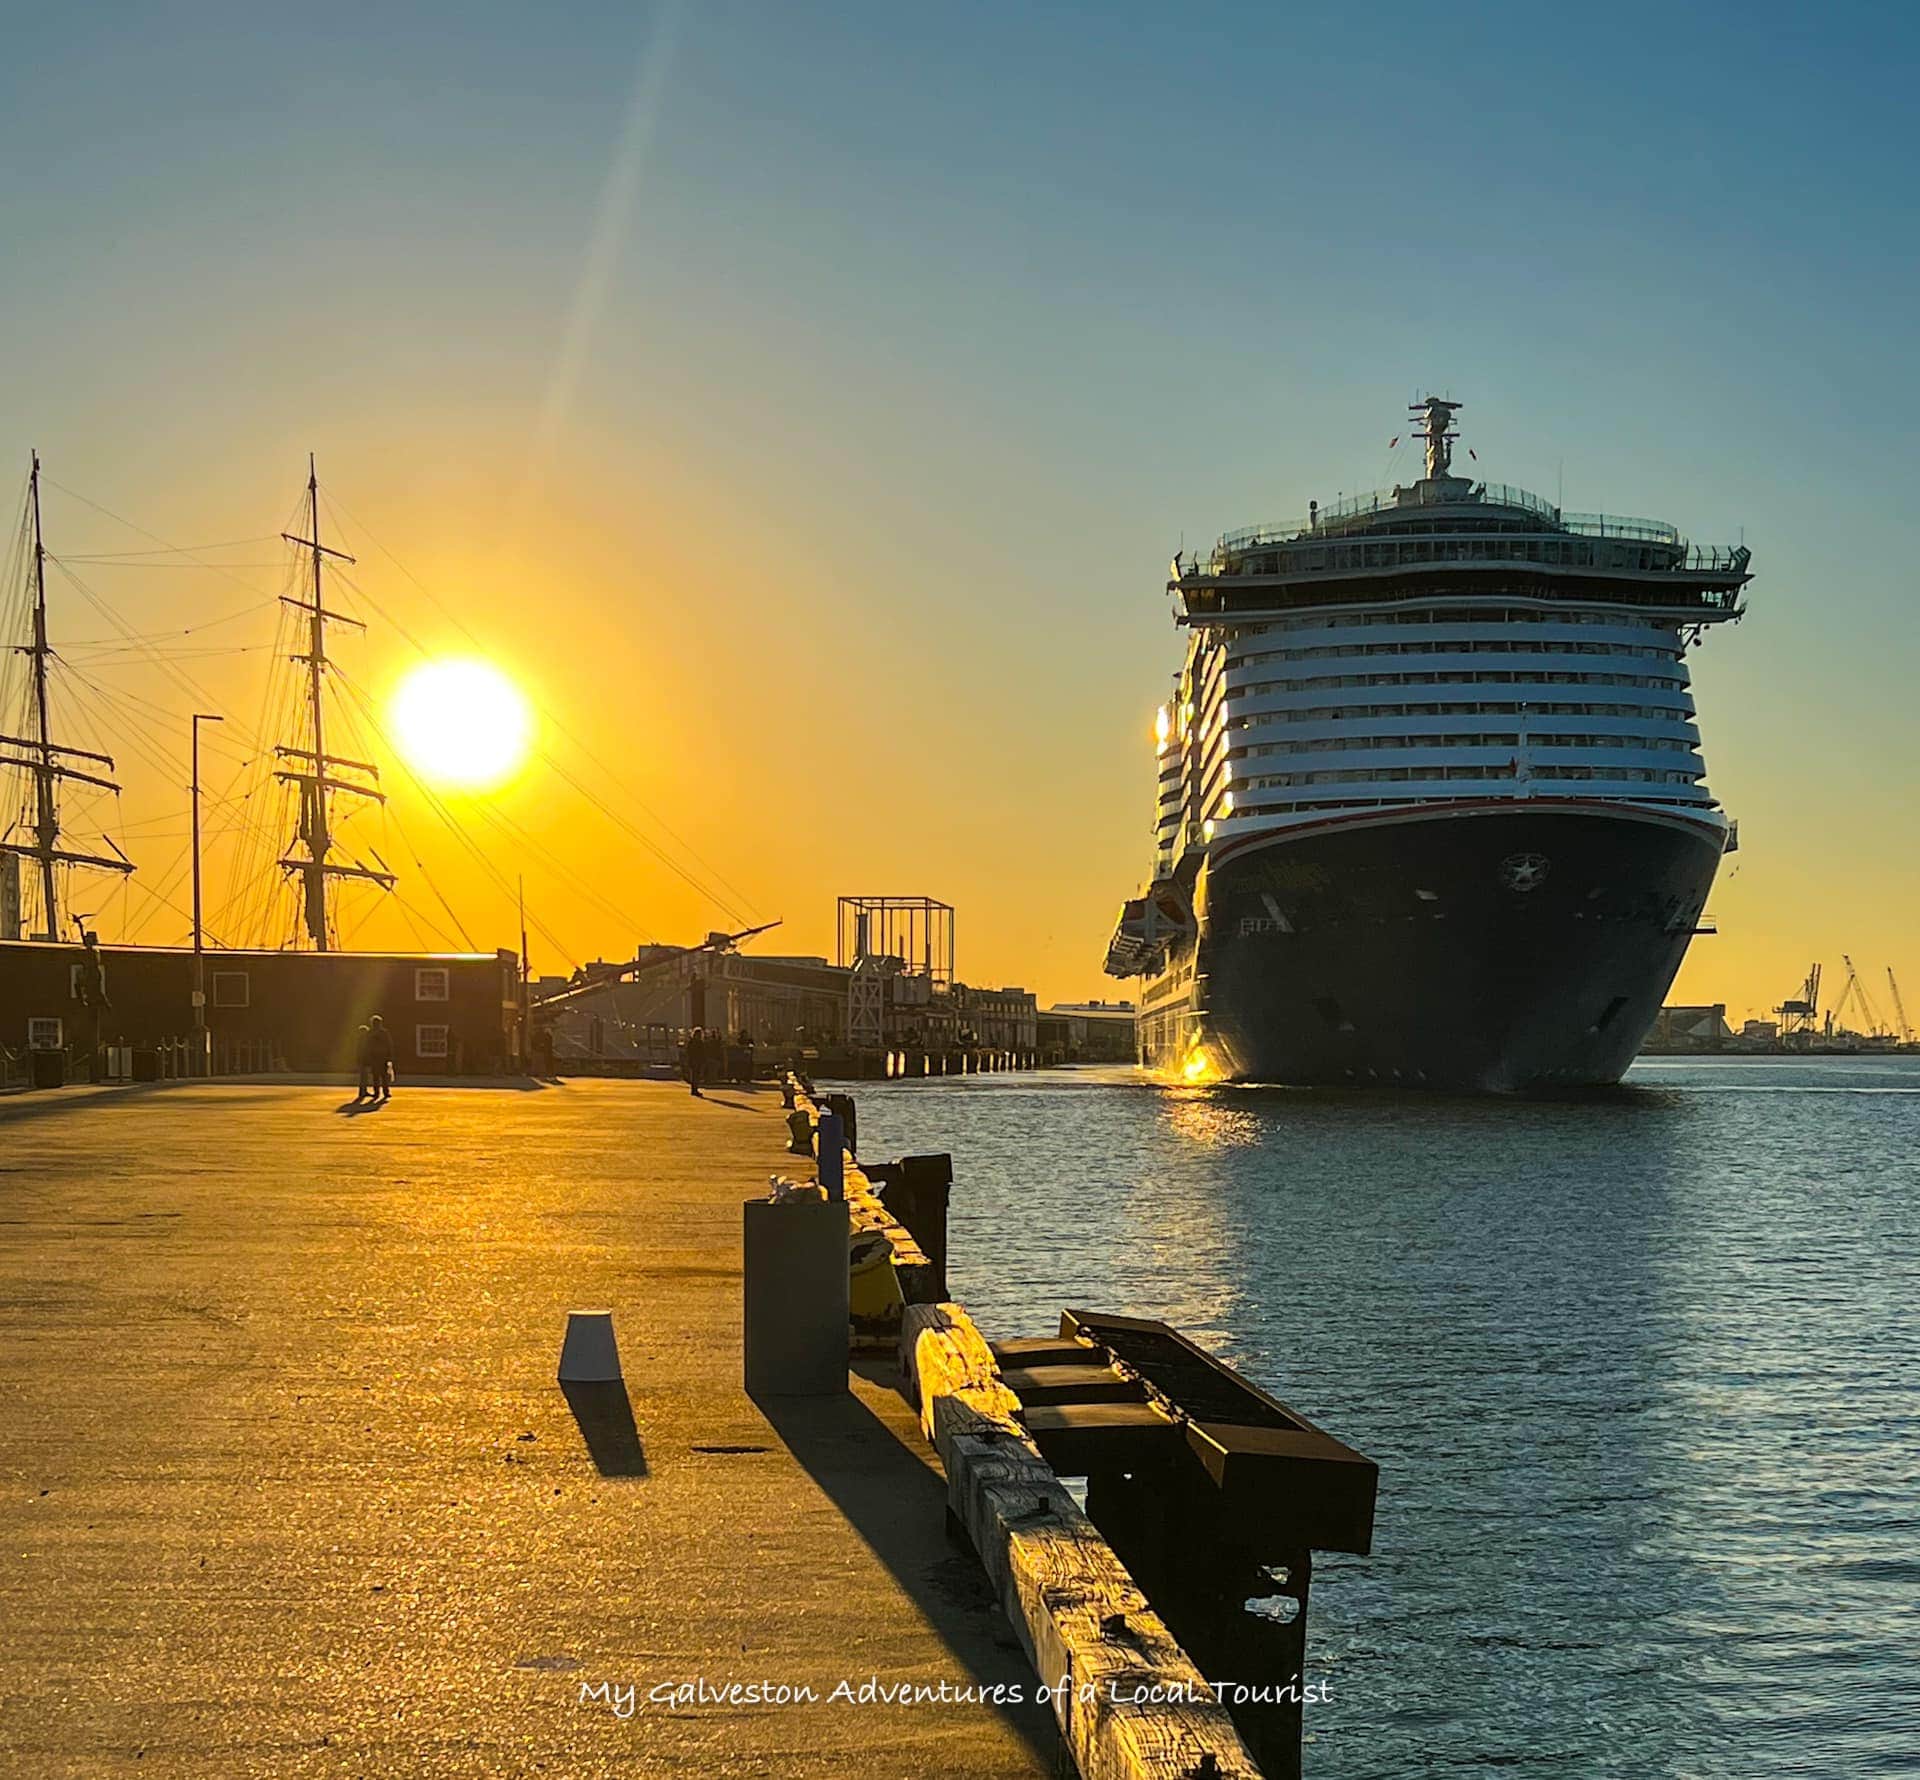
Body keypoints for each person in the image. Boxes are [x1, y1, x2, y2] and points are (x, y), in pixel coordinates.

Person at [366, 1014, 394, 1102]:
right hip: (378, 1057)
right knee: (381, 1076)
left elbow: (389, 1044)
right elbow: (389, 1045)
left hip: (379, 1057)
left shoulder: (374, 1033)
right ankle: (383, 1092)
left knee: (378, 1076)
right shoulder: (382, 1033)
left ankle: (379, 1092)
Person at [353, 1023, 375, 1100]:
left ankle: (363, 1091)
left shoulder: (360, 1041)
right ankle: (362, 1092)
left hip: (363, 1061)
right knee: (364, 1077)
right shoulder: (363, 1041)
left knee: (364, 1077)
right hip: (363, 1061)